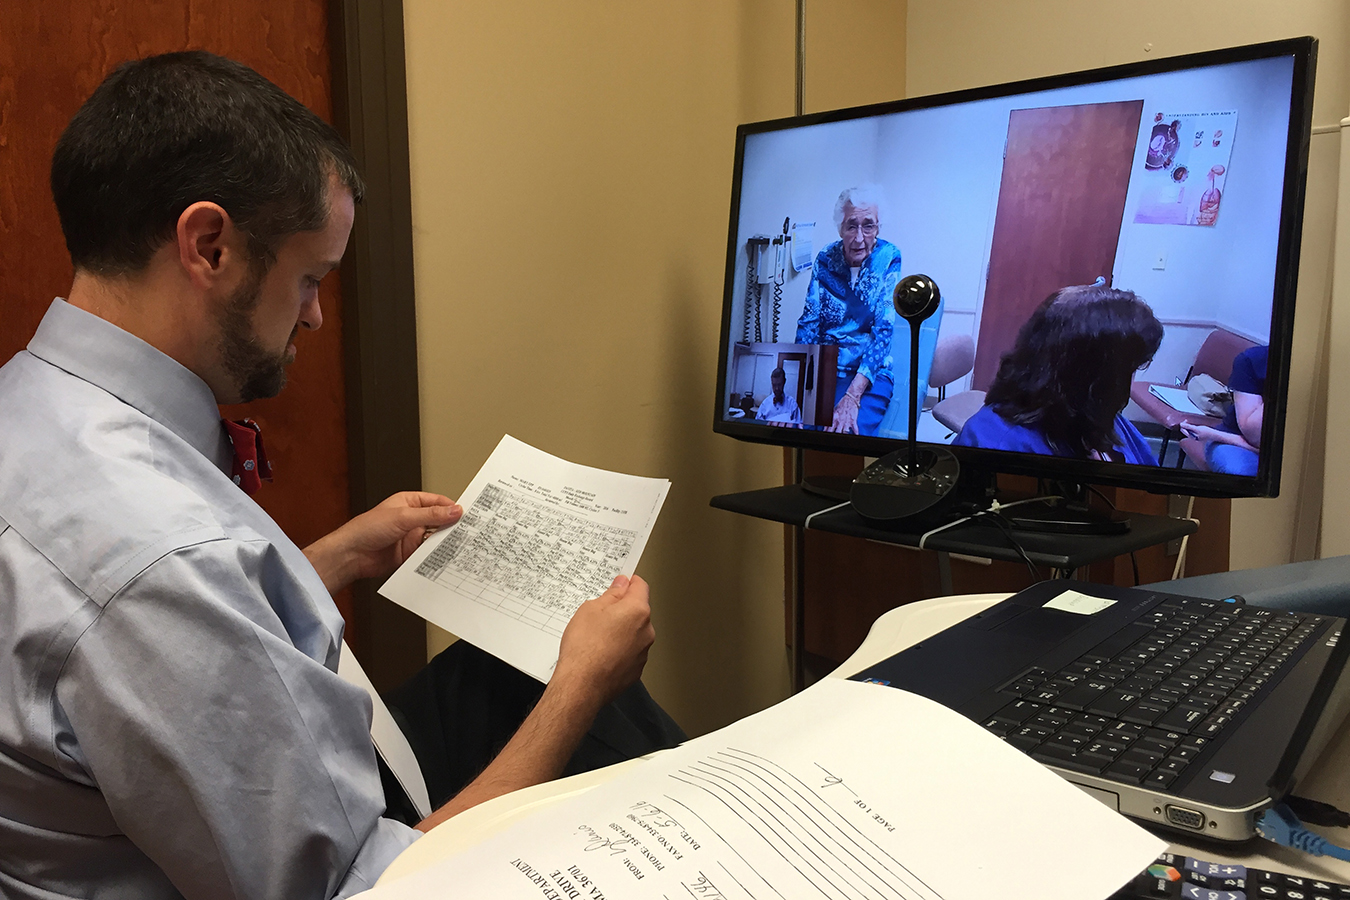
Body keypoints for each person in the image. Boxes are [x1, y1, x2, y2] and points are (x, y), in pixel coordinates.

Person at [0, 51, 682, 900]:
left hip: (258, 802)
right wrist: (582, 685)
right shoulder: (163, 562)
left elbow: (154, 642)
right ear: (209, 245)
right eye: (309, 279)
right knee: (590, 701)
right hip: (362, 870)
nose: (317, 315)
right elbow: (366, 892)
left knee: (504, 671)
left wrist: (330, 559)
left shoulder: (32, 403)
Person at [954, 284, 1163, 465]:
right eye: (1129, 370)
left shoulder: (1102, 419)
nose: (1129, 382)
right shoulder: (995, 445)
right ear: (1090, 377)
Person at [794, 185, 903, 435]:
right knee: (797, 426)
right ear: (840, 228)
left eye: (868, 226)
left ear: (878, 228)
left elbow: (884, 330)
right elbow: (809, 322)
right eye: (851, 226)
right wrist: (797, 386)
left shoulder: (889, 257)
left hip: (868, 373)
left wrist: (853, 396)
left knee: (848, 433)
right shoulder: (825, 258)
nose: (859, 237)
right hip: (825, 368)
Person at [1179, 343, 1266, 476]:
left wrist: (1212, 434)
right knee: (1241, 472)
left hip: (1246, 443)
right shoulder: (1252, 360)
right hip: (1238, 438)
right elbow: (1255, 438)